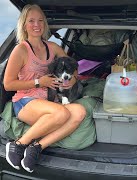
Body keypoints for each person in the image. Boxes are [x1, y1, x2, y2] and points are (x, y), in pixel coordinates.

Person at [3, 4, 86, 173]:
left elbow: (73, 66)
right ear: (24, 25)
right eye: (31, 21)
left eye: (40, 20)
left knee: (80, 112)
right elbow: (8, 84)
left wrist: (73, 79)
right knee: (62, 113)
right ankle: (18, 144)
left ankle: (37, 147)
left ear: (45, 24)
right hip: (26, 101)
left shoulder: (53, 47)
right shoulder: (20, 50)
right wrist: (38, 83)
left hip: (49, 99)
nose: (36, 25)